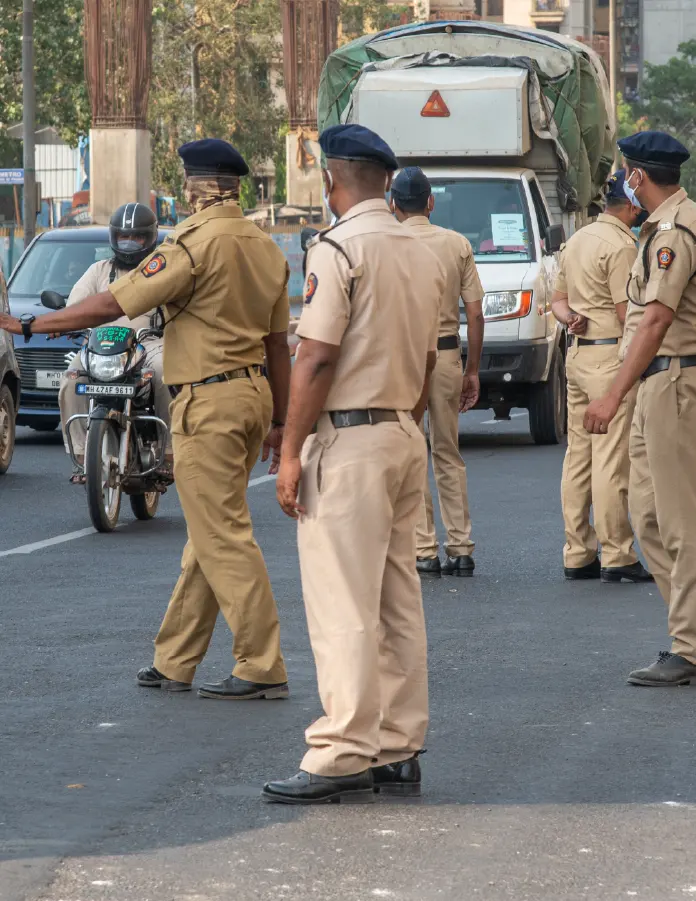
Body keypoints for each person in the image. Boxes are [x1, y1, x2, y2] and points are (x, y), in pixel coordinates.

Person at [1, 138, 293, 700]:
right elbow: (279, 346)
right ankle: (176, 660)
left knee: (224, 537)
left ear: (198, 189)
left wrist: (33, 326)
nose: (183, 195)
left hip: (208, 400)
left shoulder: (190, 245)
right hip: (253, 395)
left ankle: (262, 665)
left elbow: (115, 302)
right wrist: (280, 419)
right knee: (208, 534)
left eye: (186, 185)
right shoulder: (266, 247)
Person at [264, 124, 446, 804]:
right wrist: (406, 423)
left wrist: (289, 451)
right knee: (399, 601)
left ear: (332, 181)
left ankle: (341, 748)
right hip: (401, 430)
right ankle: (398, 745)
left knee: (343, 601)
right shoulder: (421, 248)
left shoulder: (339, 247)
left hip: (350, 439)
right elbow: (429, 357)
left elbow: (315, 356)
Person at [583, 130, 696, 687]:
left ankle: (691, 647)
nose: (625, 178)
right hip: (658, 383)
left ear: (638, 177)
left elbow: (655, 320)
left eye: (627, 171)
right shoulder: (664, 226)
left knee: (679, 519)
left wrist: (611, 394)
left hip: (676, 381)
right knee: (646, 516)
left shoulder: (677, 230)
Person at [552, 169, 653, 584]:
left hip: (577, 356)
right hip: (611, 357)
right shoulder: (622, 247)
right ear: (630, 207)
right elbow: (627, 314)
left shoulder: (575, 241)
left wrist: (573, 317)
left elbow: (558, 302)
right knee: (612, 460)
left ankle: (578, 552)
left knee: (579, 456)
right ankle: (617, 554)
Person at [389, 166, 484, 578]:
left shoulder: (386, 243)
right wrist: (473, 371)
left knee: (412, 452)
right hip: (446, 358)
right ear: (430, 202)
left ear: (394, 205)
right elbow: (476, 314)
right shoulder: (456, 243)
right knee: (448, 454)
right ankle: (460, 547)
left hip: (402, 360)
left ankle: (423, 547)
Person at [58, 202, 172, 481]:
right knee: (70, 380)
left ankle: (169, 453)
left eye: (137, 237)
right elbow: (76, 306)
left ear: (150, 238)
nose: (129, 243)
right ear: (113, 237)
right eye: (124, 236)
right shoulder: (99, 270)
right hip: (100, 347)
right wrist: (64, 322)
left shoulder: (162, 269)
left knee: (167, 377)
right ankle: (84, 457)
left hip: (150, 344)